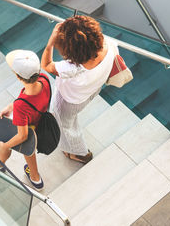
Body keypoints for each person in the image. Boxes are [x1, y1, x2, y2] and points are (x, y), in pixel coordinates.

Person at [41, 15, 116, 164]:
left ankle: (80, 153)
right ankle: (77, 150)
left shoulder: (72, 67)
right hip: (92, 90)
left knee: (65, 126)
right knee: (69, 121)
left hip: (69, 101)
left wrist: (50, 42)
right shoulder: (109, 44)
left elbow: (46, 64)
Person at [0, 50, 51, 190]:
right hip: (40, 123)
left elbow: (22, 135)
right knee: (29, 150)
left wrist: (6, 146)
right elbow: (34, 99)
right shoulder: (44, 79)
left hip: (28, 129)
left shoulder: (21, 106)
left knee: (9, 146)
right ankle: (35, 179)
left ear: (18, 77)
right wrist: (11, 106)